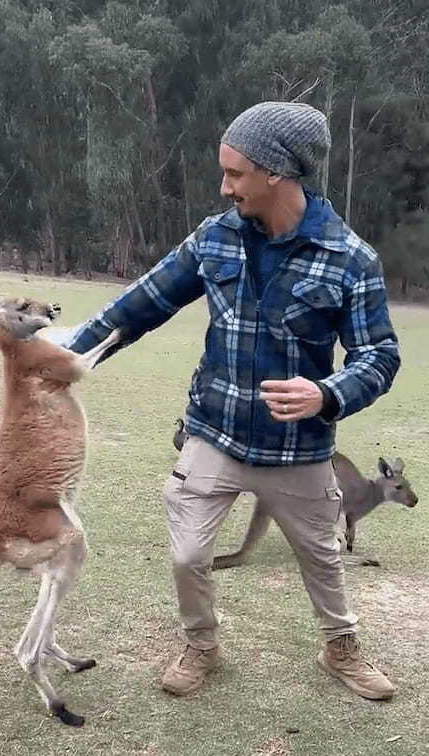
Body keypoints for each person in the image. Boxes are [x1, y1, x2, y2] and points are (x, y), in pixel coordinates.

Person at [67, 102, 400, 702]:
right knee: (189, 553)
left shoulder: (351, 259)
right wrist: (67, 357)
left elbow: (380, 357)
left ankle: (340, 646)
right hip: (213, 434)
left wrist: (327, 393)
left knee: (323, 559)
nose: (224, 187)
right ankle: (201, 644)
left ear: (277, 172)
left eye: (236, 173)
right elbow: (139, 306)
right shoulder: (214, 237)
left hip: (298, 448)